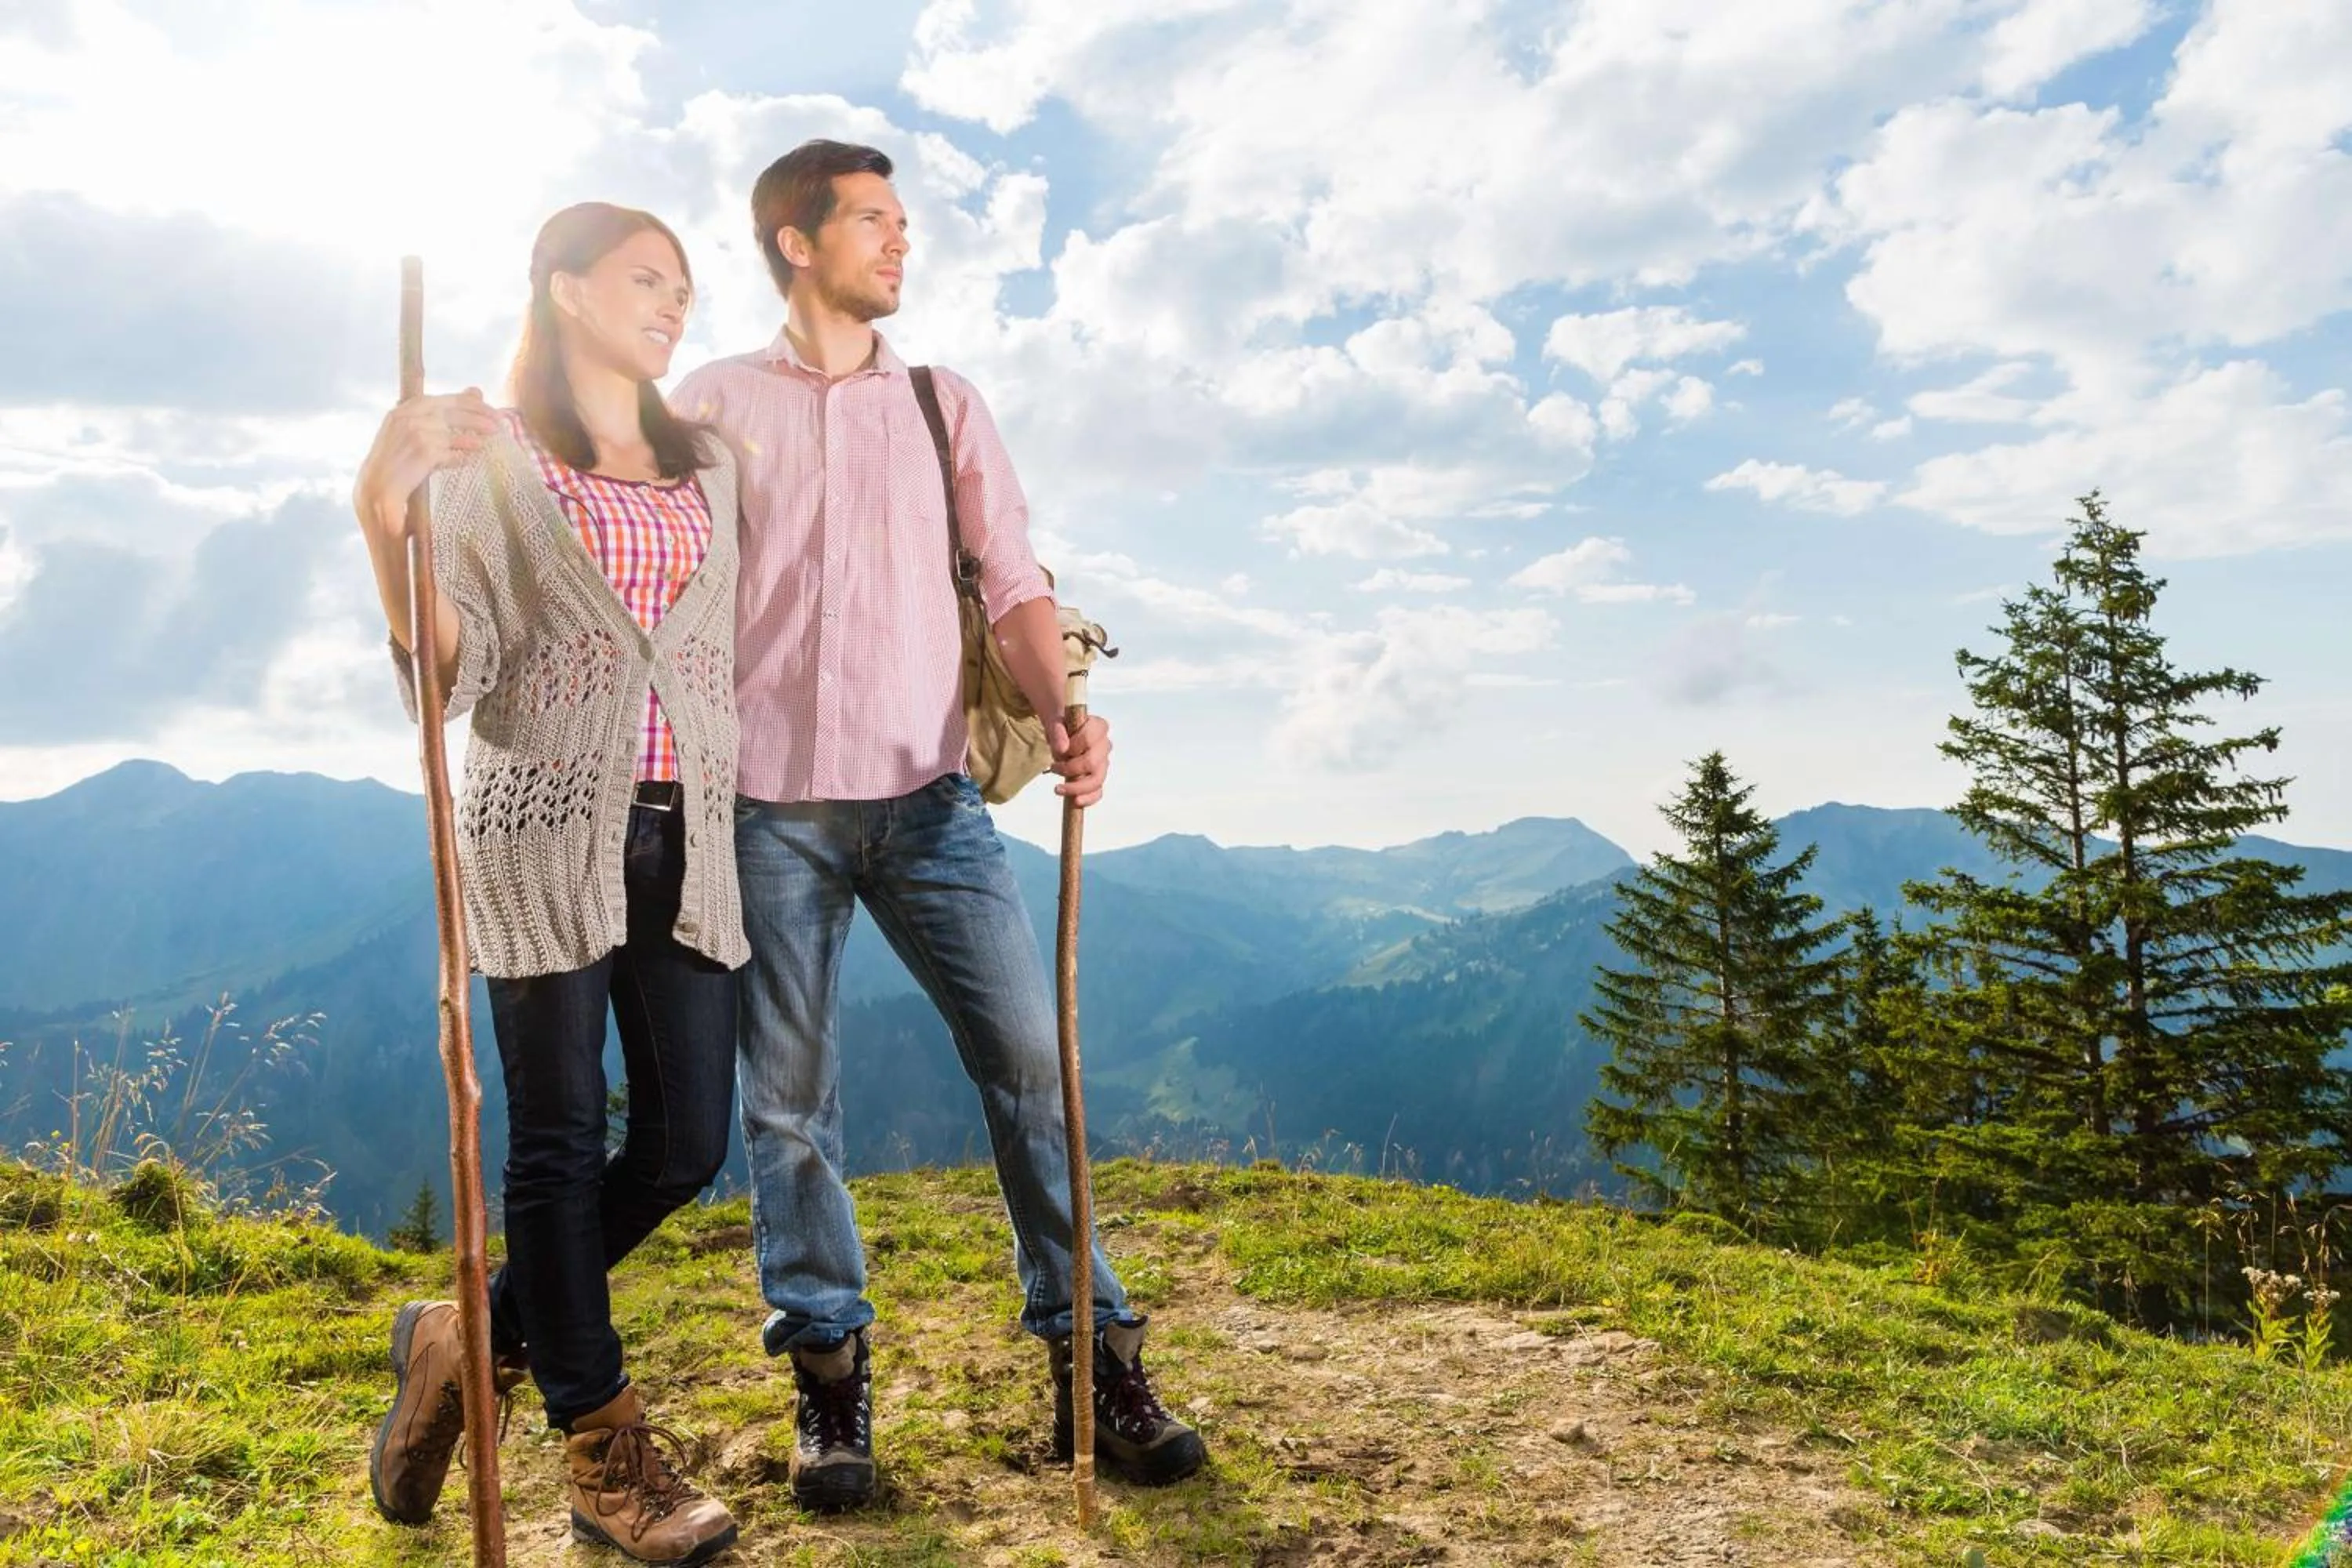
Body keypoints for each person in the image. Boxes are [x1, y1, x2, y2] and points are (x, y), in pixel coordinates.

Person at [672, 140, 1208, 1514]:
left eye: (903, 224)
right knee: (787, 1106)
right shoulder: (713, 403)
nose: (900, 246)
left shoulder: (940, 402)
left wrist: (1062, 711)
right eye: (872, 223)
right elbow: (656, 571)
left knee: (1034, 1064)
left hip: (930, 798)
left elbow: (1013, 573)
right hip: (766, 805)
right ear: (796, 243)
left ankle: (1096, 1360)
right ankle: (831, 1387)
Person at [353, 201, 742, 1566]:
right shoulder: (495, 457)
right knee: (560, 1144)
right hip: (537, 823)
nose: (675, 300)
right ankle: (603, 1448)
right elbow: (444, 666)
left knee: (689, 1141)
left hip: (690, 833)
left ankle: (473, 1337)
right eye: (648, 277)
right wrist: (377, 510)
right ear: (565, 290)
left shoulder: (711, 462)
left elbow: (714, 656)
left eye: (686, 284)